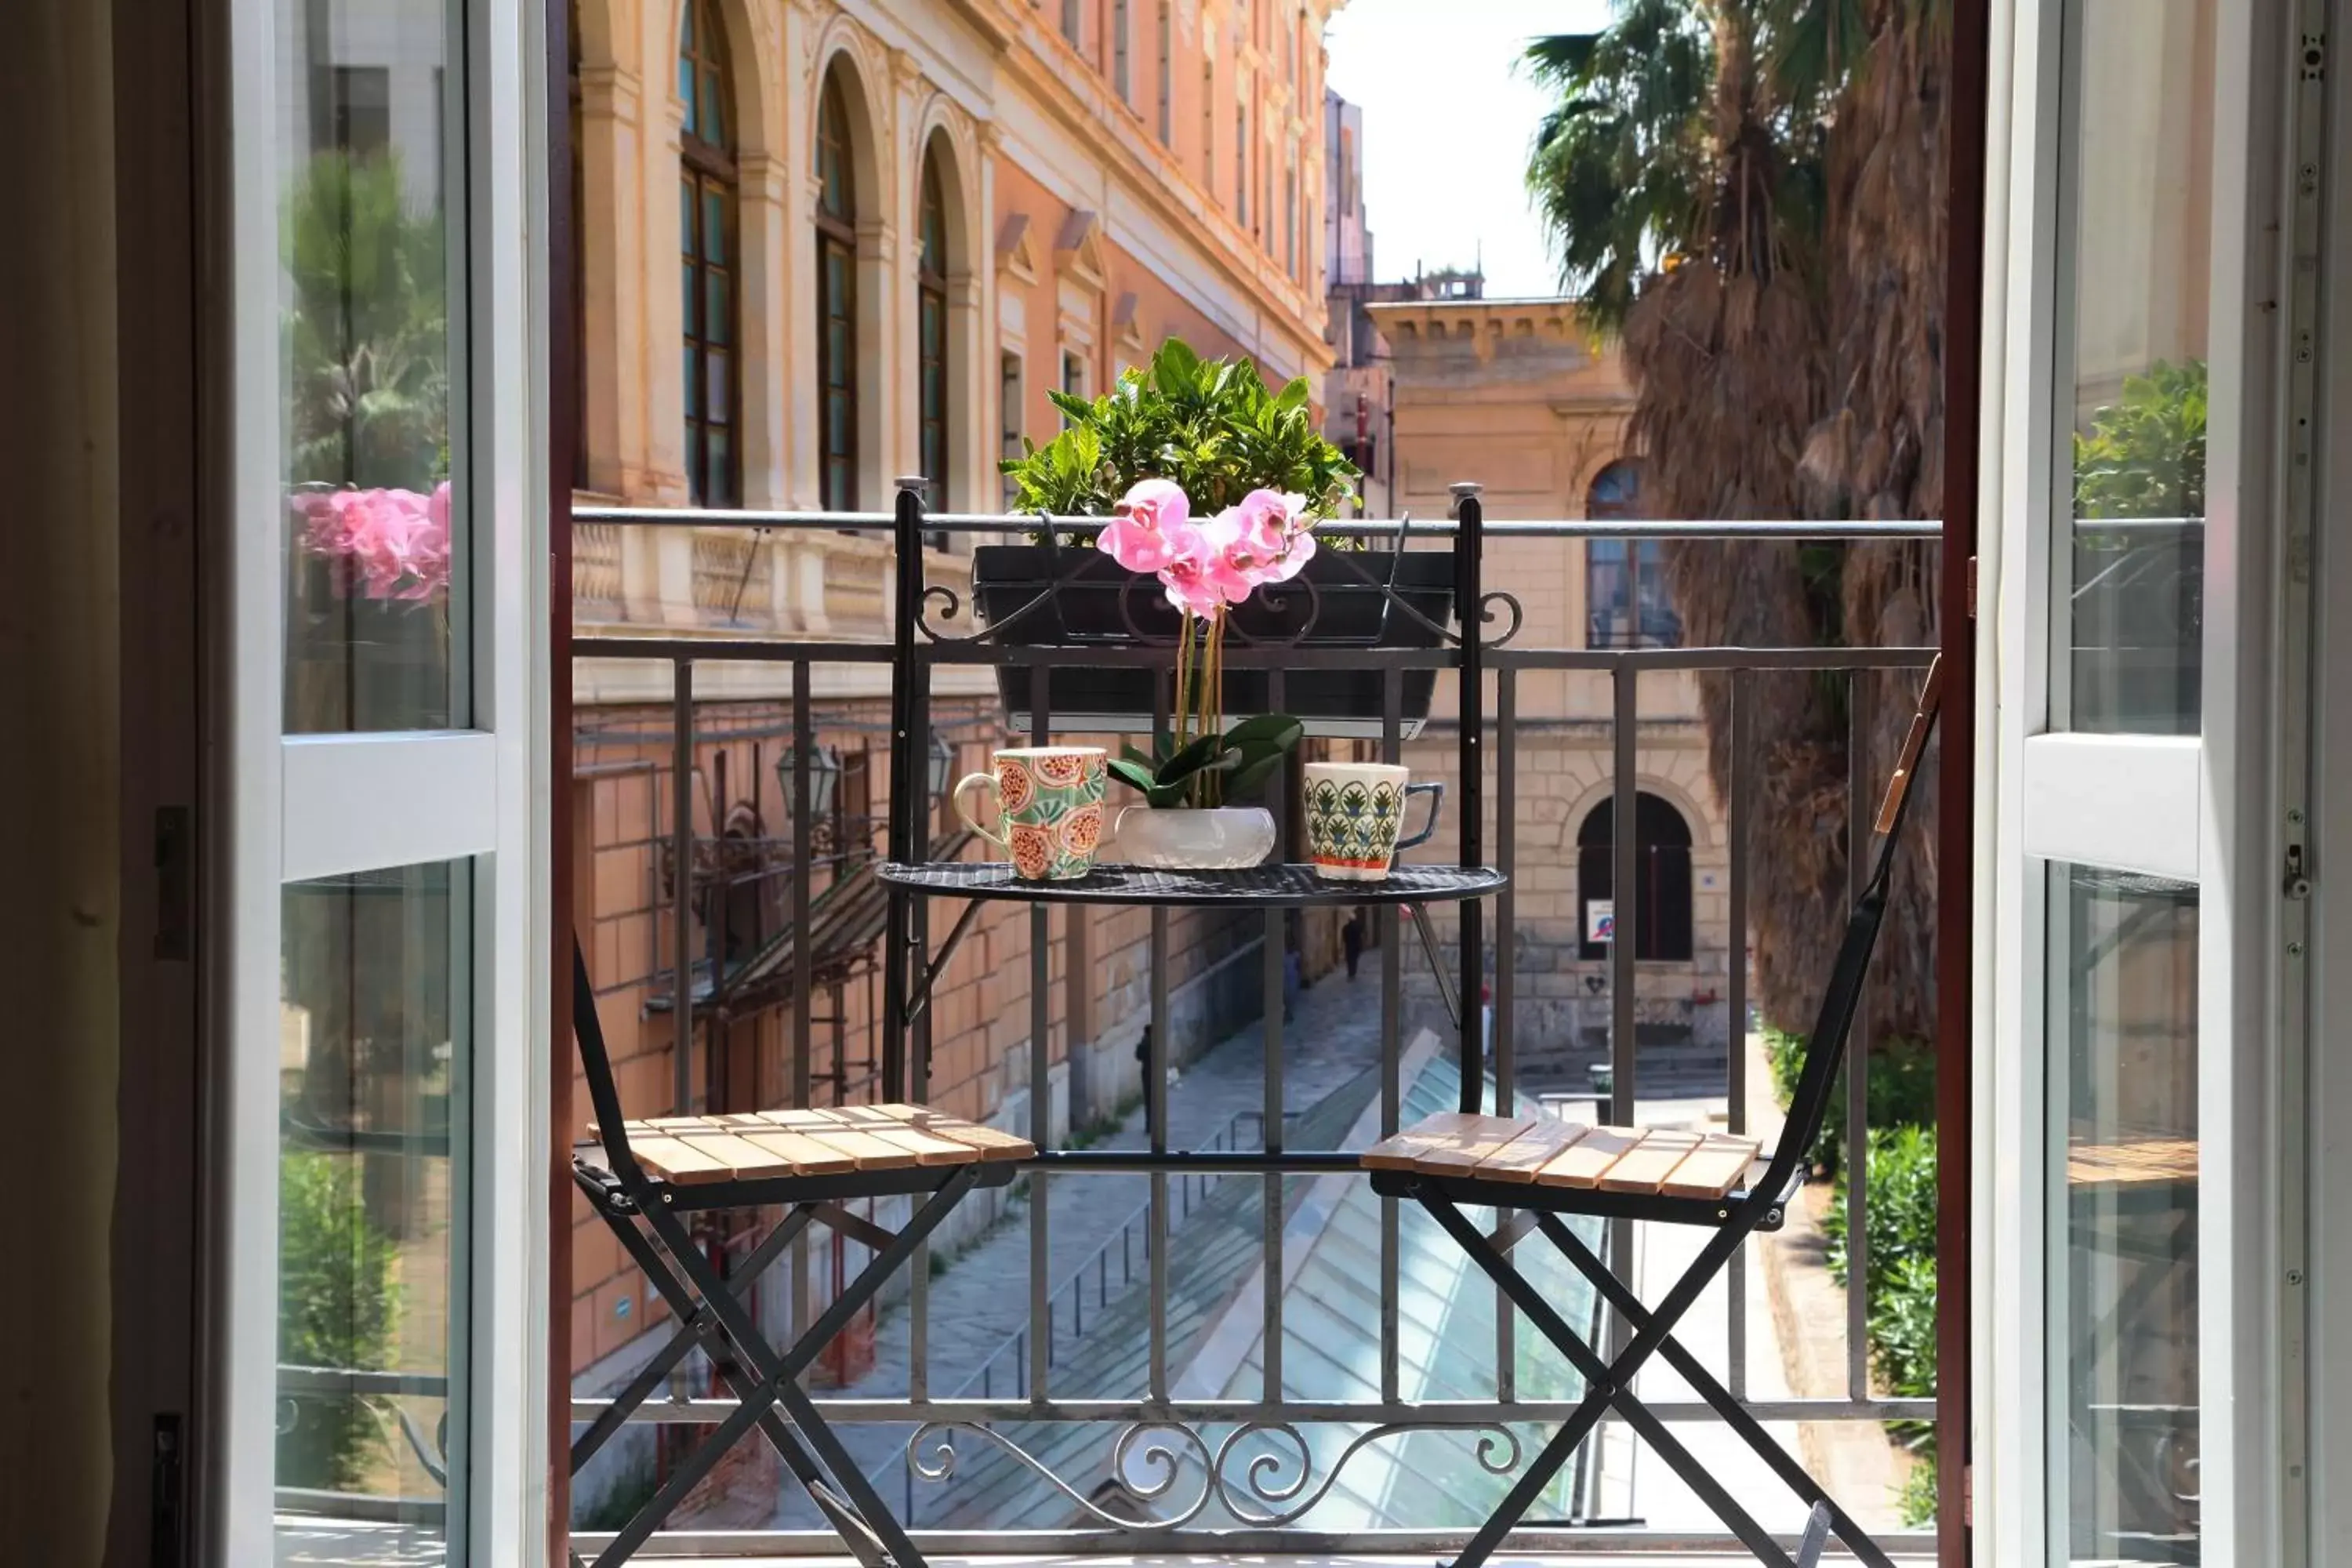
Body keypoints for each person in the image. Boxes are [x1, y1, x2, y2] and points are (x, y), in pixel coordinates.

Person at [1341, 912, 1365, 979]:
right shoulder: (1358, 926)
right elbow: (1361, 935)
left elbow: (1344, 937)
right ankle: (1353, 973)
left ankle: (1350, 973)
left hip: (1349, 946)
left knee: (1349, 960)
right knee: (1354, 960)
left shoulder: (1345, 928)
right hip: (1356, 946)